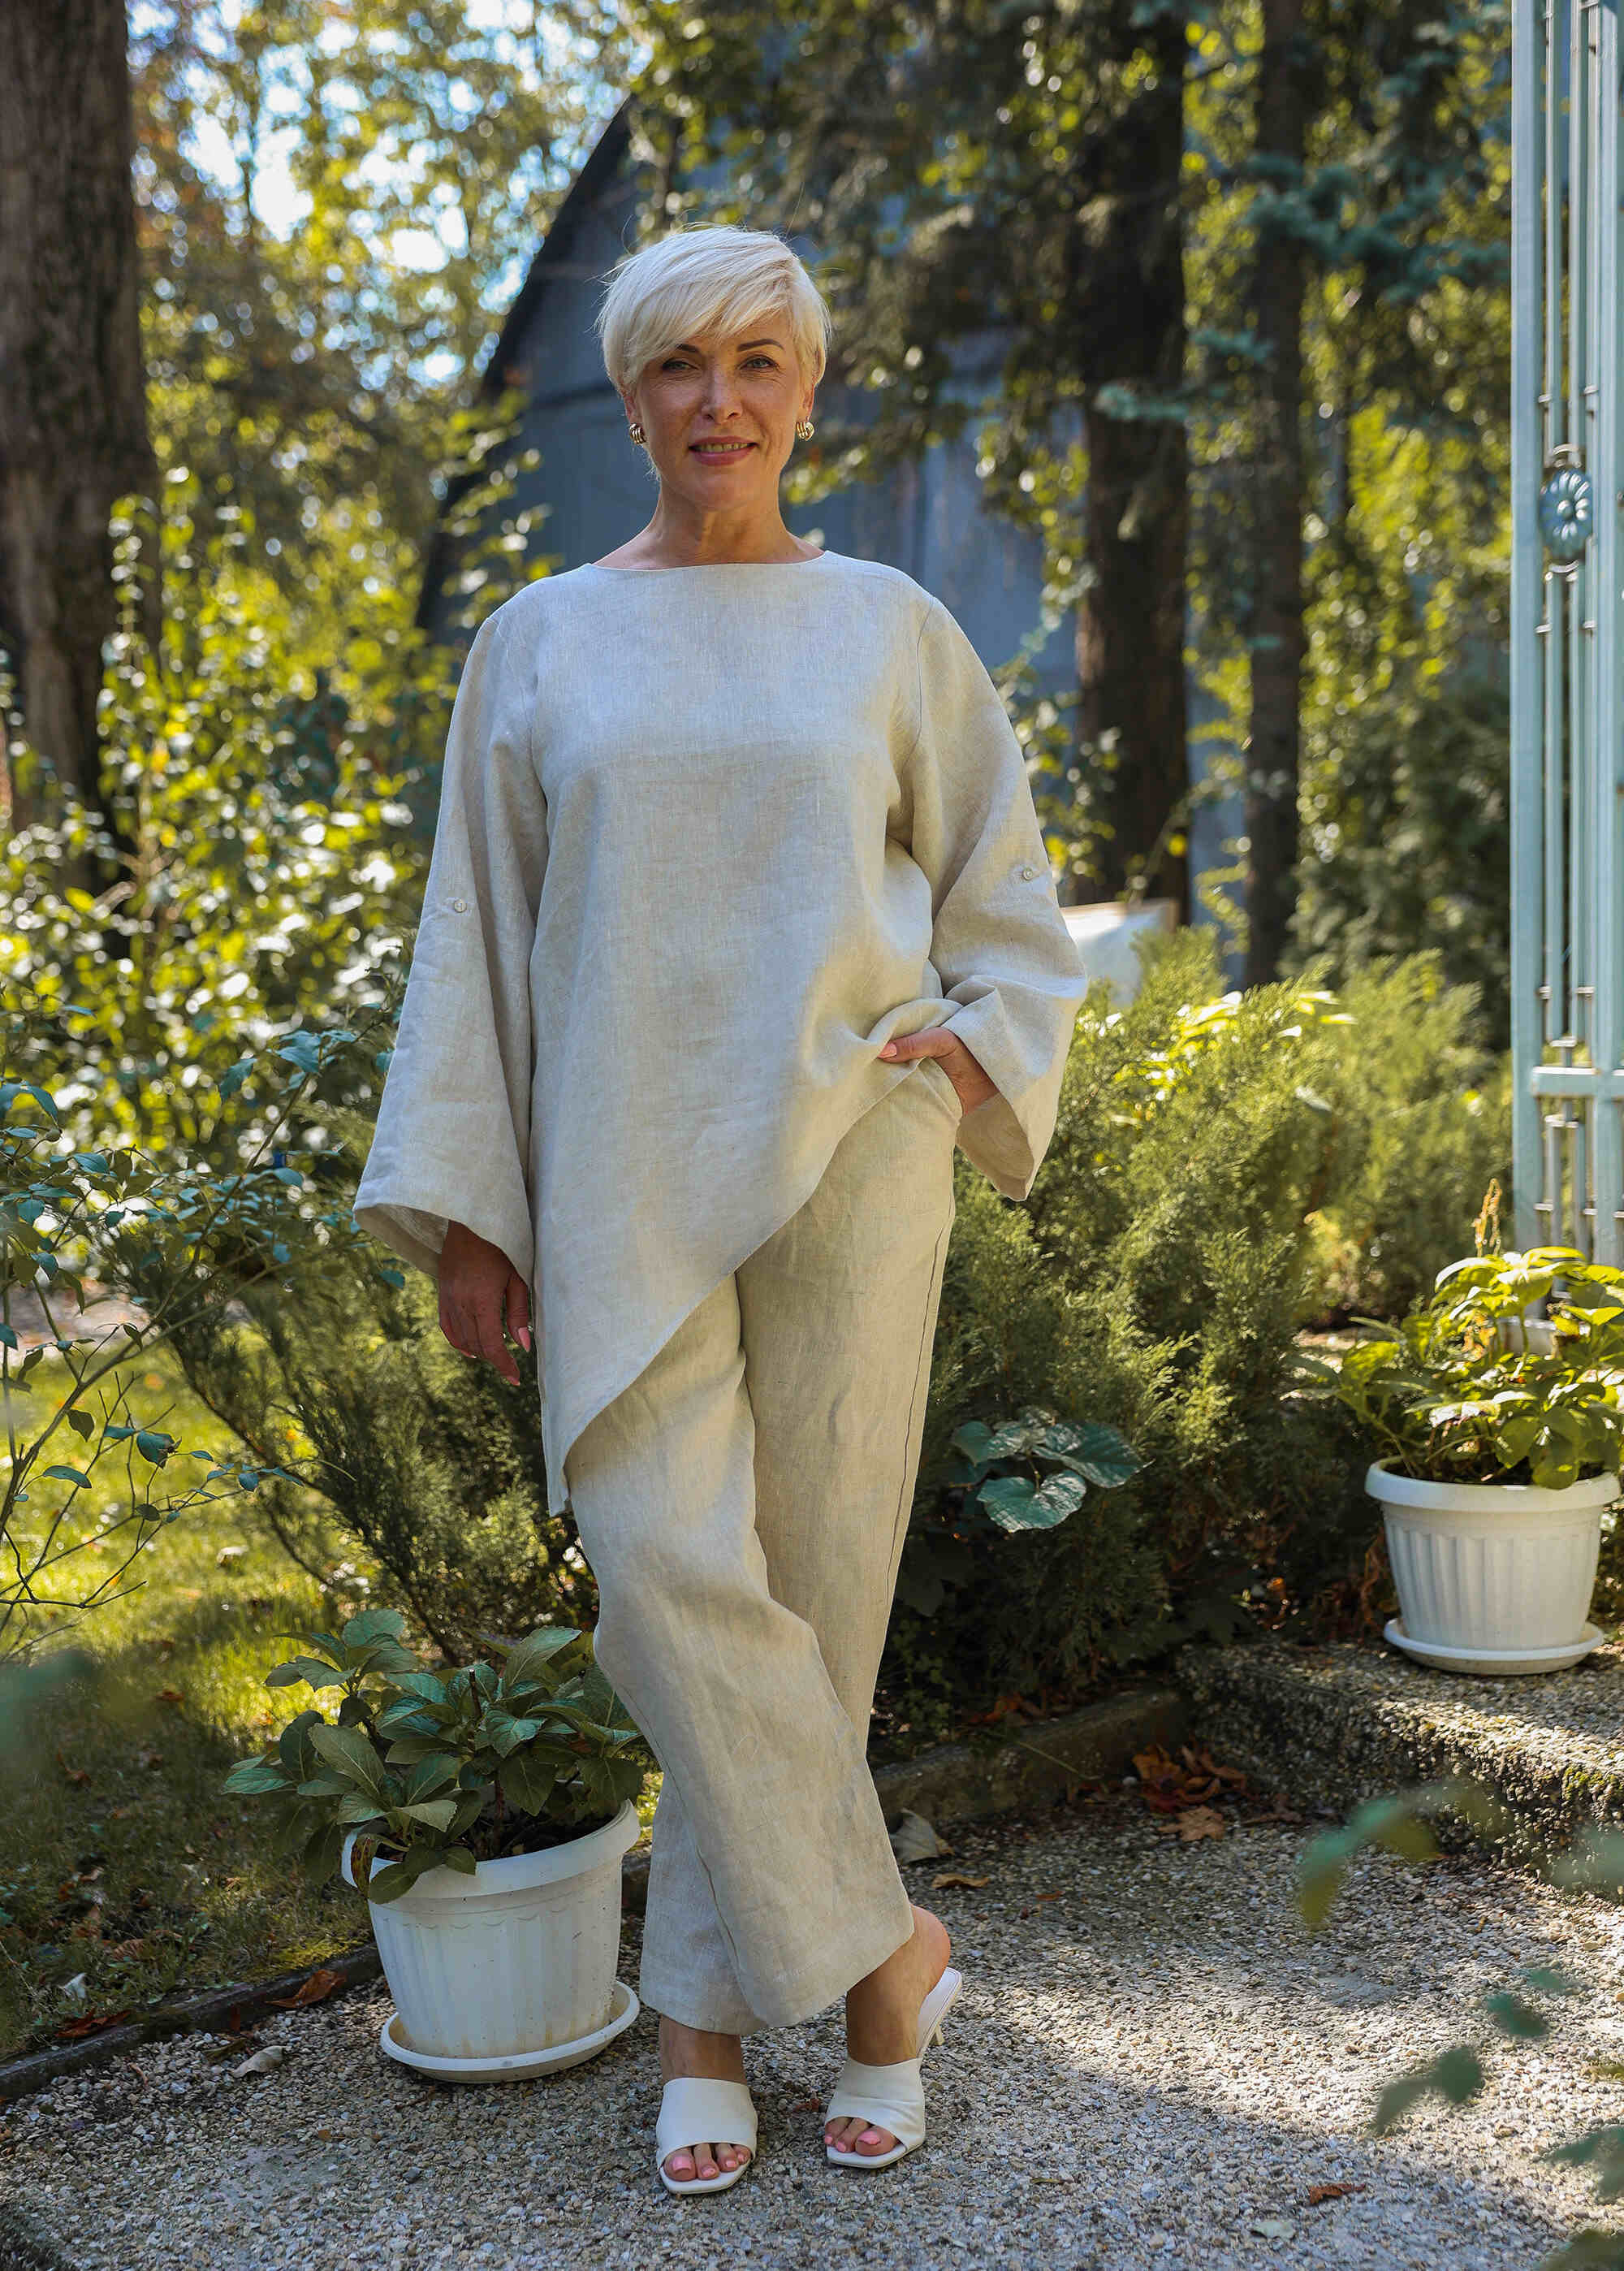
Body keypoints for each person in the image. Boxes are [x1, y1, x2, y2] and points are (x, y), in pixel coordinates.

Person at [352, 221, 1089, 2195]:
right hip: (613, 1173)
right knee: (668, 1576)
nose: (719, 399)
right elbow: (477, 938)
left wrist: (964, 1062)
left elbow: (1005, 897)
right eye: (680, 363)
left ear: (808, 392)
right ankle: (886, 1961)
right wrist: (478, 1212)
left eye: (758, 361)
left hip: (853, 1155)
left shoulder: (888, 627)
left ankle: (705, 2031)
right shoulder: (537, 639)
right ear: (629, 397)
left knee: (818, 1595)